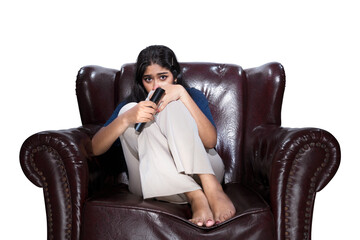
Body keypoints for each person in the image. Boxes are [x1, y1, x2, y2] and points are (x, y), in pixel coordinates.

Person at [91, 45, 235, 227]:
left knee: (171, 104)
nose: (156, 85)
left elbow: (210, 141)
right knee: (130, 110)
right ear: (140, 81)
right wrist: (126, 118)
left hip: (203, 171)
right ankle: (196, 196)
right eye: (148, 79)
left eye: (163, 77)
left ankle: (211, 187)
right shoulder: (132, 104)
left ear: (175, 76)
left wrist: (182, 95)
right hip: (154, 180)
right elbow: (94, 148)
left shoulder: (192, 95)